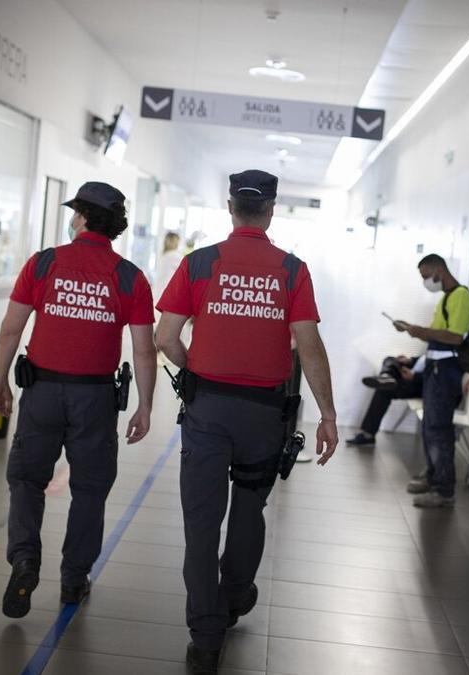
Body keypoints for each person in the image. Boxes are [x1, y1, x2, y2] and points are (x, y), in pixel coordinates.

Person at [155, 169, 339, 674]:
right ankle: (235, 593)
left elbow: (165, 337)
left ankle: (206, 638)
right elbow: (309, 344)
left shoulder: (200, 263)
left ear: (230, 207)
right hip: (264, 413)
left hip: (208, 410)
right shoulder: (291, 269)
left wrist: (197, 369)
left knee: (200, 523)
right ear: (272, 209)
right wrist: (327, 414)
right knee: (249, 507)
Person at [0, 181, 157, 618]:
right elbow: (143, 349)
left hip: (42, 392)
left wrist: (0, 381)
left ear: (81, 217)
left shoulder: (44, 262)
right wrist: (145, 404)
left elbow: (11, 329)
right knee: (89, 489)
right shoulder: (130, 277)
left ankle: (25, 559)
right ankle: (72, 579)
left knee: (27, 479)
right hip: (96, 399)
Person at [391, 254, 469, 508]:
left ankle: (444, 489)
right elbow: (437, 335)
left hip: (447, 370)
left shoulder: (461, 296)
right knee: (430, 426)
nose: (426, 281)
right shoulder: (446, 298)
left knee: (439, 430)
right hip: (435, 368)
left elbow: (455, 337)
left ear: (440, 269)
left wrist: (420, 331)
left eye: (427, 276)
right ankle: (432, 475)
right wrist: (413, 329)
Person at [345, 354, 424, 446]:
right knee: (390, 360)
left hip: (426, 383)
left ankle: (368, 435)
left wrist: (415, 376)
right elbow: (425, 357)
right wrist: (410, 360)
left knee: (384, 389)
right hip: (416, 373)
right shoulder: (435, 344)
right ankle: (386, 376)